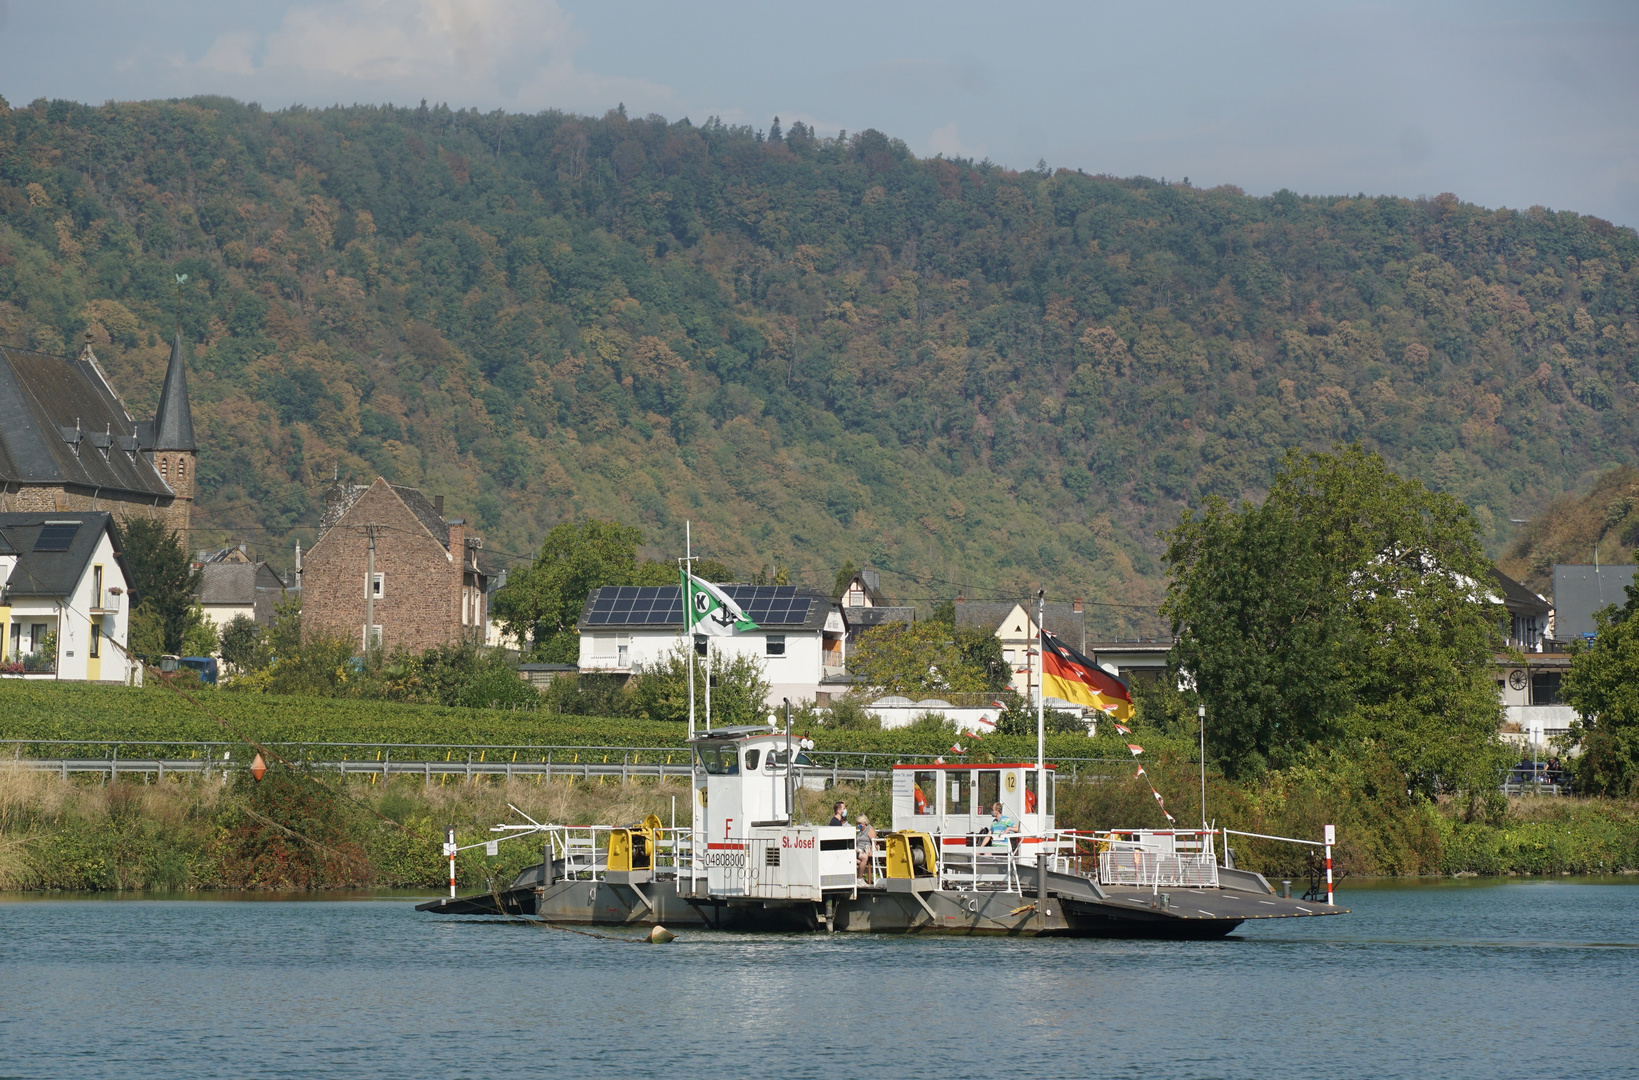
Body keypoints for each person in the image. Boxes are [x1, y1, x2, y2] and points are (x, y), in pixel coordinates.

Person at [856, 814, 878, 880]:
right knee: (856, 861)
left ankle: (859, 878)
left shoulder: (869, 829)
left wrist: (871, 851)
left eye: (859, 823)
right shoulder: (860, 831)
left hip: (864, 850)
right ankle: (858, 878)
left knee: (859, 860)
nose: (858, 825)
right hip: (858, 850)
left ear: (864, 822)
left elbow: (874, 842)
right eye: (857, 823)